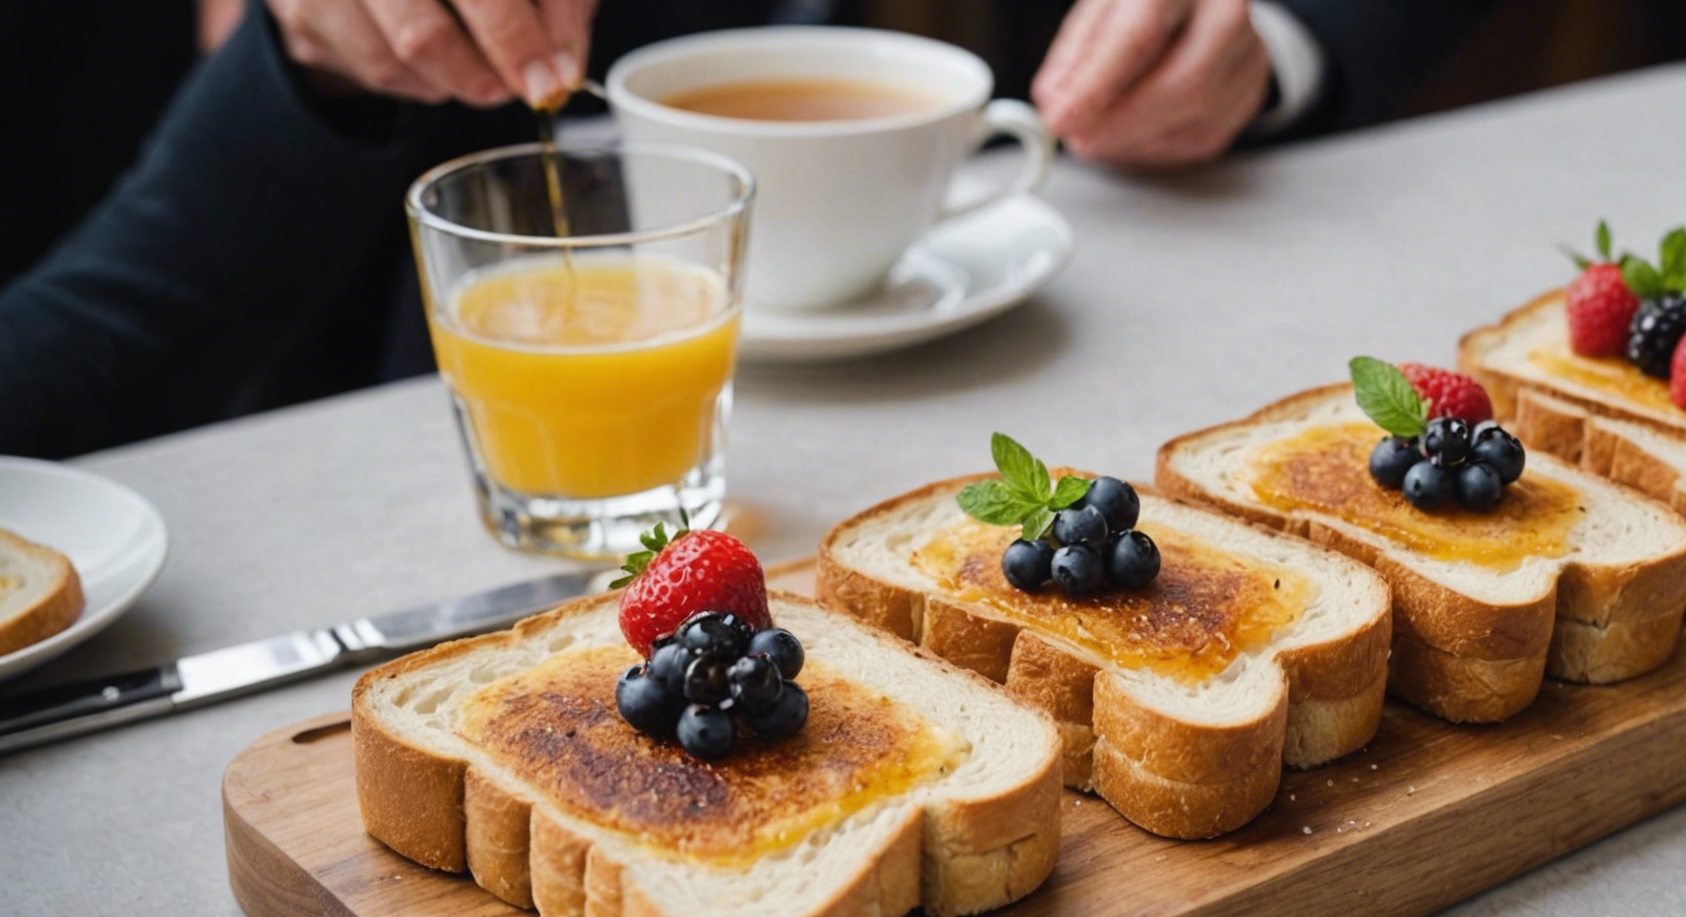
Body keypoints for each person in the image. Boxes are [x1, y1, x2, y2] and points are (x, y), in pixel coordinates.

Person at [0, 0, 1496, 459]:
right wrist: (308, 56)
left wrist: (1281, 31)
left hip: (1100, 361)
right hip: (456, 458)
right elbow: (117, 326)